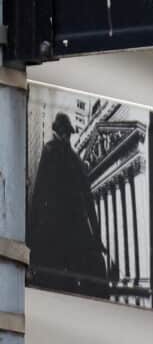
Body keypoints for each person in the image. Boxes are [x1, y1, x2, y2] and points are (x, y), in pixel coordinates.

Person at [27, 112, 110, 298]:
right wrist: (96, 237)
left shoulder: (49, 151)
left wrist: (31, 233)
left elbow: (39, 192)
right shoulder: (78, 162)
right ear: (68, 133)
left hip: (54, 233)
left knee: (52, 284)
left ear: (58, 131)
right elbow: (90, 204)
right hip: (77, 235)